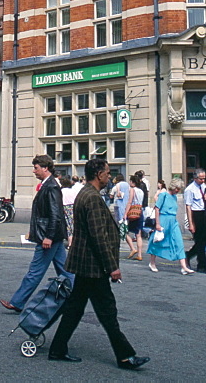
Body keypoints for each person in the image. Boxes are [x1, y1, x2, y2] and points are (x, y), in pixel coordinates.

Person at [47, 158, 149, 370]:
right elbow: (98, 236)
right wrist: (112, 266)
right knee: (107, 311)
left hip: (85, 263)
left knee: (75, 308)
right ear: (98, 174)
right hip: (93, 265)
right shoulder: (91, 197)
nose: (109, 176)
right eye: (107, 172)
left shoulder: (86, 193)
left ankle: (57, 349)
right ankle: (125, 356)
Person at [0, 155, 72, 313]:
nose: (34, 171)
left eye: (36, 168)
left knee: (35, 271)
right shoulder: (48, 185)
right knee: (65, 270)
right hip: (53, 236)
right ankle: (77, 295)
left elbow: (55, 214)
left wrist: (48, 237)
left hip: (49, 237)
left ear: (45, 168)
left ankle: (18, 302)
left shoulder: (51, 186)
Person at [146, 178, 193, 274]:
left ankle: (184, 266)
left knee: (179, 242)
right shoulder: (163, 195)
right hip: (163, 220)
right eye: (177, 188)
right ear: (173, 186)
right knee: (157, 242)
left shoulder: (174, 197)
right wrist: (158, 224)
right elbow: (157, 208)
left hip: (173, 221)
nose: (178, 191)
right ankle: (152, 263)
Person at [183, 169, 206, 273]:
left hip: (205, 213)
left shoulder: (204, 186)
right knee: (199, 241)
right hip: (196, 214)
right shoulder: (189, 189)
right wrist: (191, 224)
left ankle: (189, 254)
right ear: (195, 178)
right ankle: (202, 266)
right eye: (201, 179)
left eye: (204, 178)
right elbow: (188, 206)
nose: (203, 180)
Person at [123, 173, 145, 261]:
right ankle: (139, 254)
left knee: (125, 232)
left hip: (133, 211)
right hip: (140, 211)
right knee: (138, 234)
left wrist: (125, 213)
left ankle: (132, 248)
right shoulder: (141, 191)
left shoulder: (132, 190)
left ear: (132, 182)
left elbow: (130, 201)